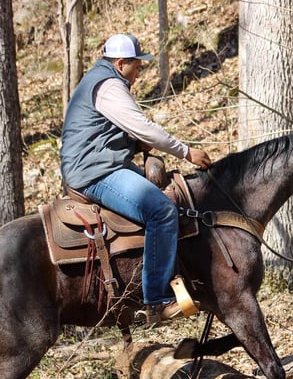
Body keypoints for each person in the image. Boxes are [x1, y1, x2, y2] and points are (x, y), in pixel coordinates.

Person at [60, 33, 211, 326]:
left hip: (96, 164)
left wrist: (130, 144)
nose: (140, 70)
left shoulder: (101, 80)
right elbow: (144, 127)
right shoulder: (109, 86)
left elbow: (105, 133)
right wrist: (187, 152)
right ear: (121, 63)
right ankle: (158, 300)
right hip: (96, 172)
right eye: (137, 64)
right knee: (162, 211)